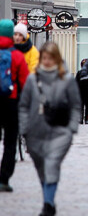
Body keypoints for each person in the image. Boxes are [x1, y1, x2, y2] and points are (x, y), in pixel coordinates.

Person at [18, 41, 80, 216]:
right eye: (44, 58)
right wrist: (24, 129)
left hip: (60, 132)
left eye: (50, 58)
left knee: (52, 164)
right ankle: (49, 201)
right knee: (42, 169)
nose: (46, 61)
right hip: (35, 132)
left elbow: (76, 105)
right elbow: (23, 105)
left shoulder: (66, 80)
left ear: (57, 59)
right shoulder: (32, 79)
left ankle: (47, 205)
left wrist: (72, 128)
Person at [0, 19, 29, 193]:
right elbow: (25, 82)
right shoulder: (17, 55)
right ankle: (3, 179)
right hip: (11, 102)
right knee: (10, 141)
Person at [75, 59, 88, 124]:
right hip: (83, 91)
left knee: (84, 106)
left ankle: (84, 119)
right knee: (84, 106)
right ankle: (83, 119)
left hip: (86, 91)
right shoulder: (79, 73)